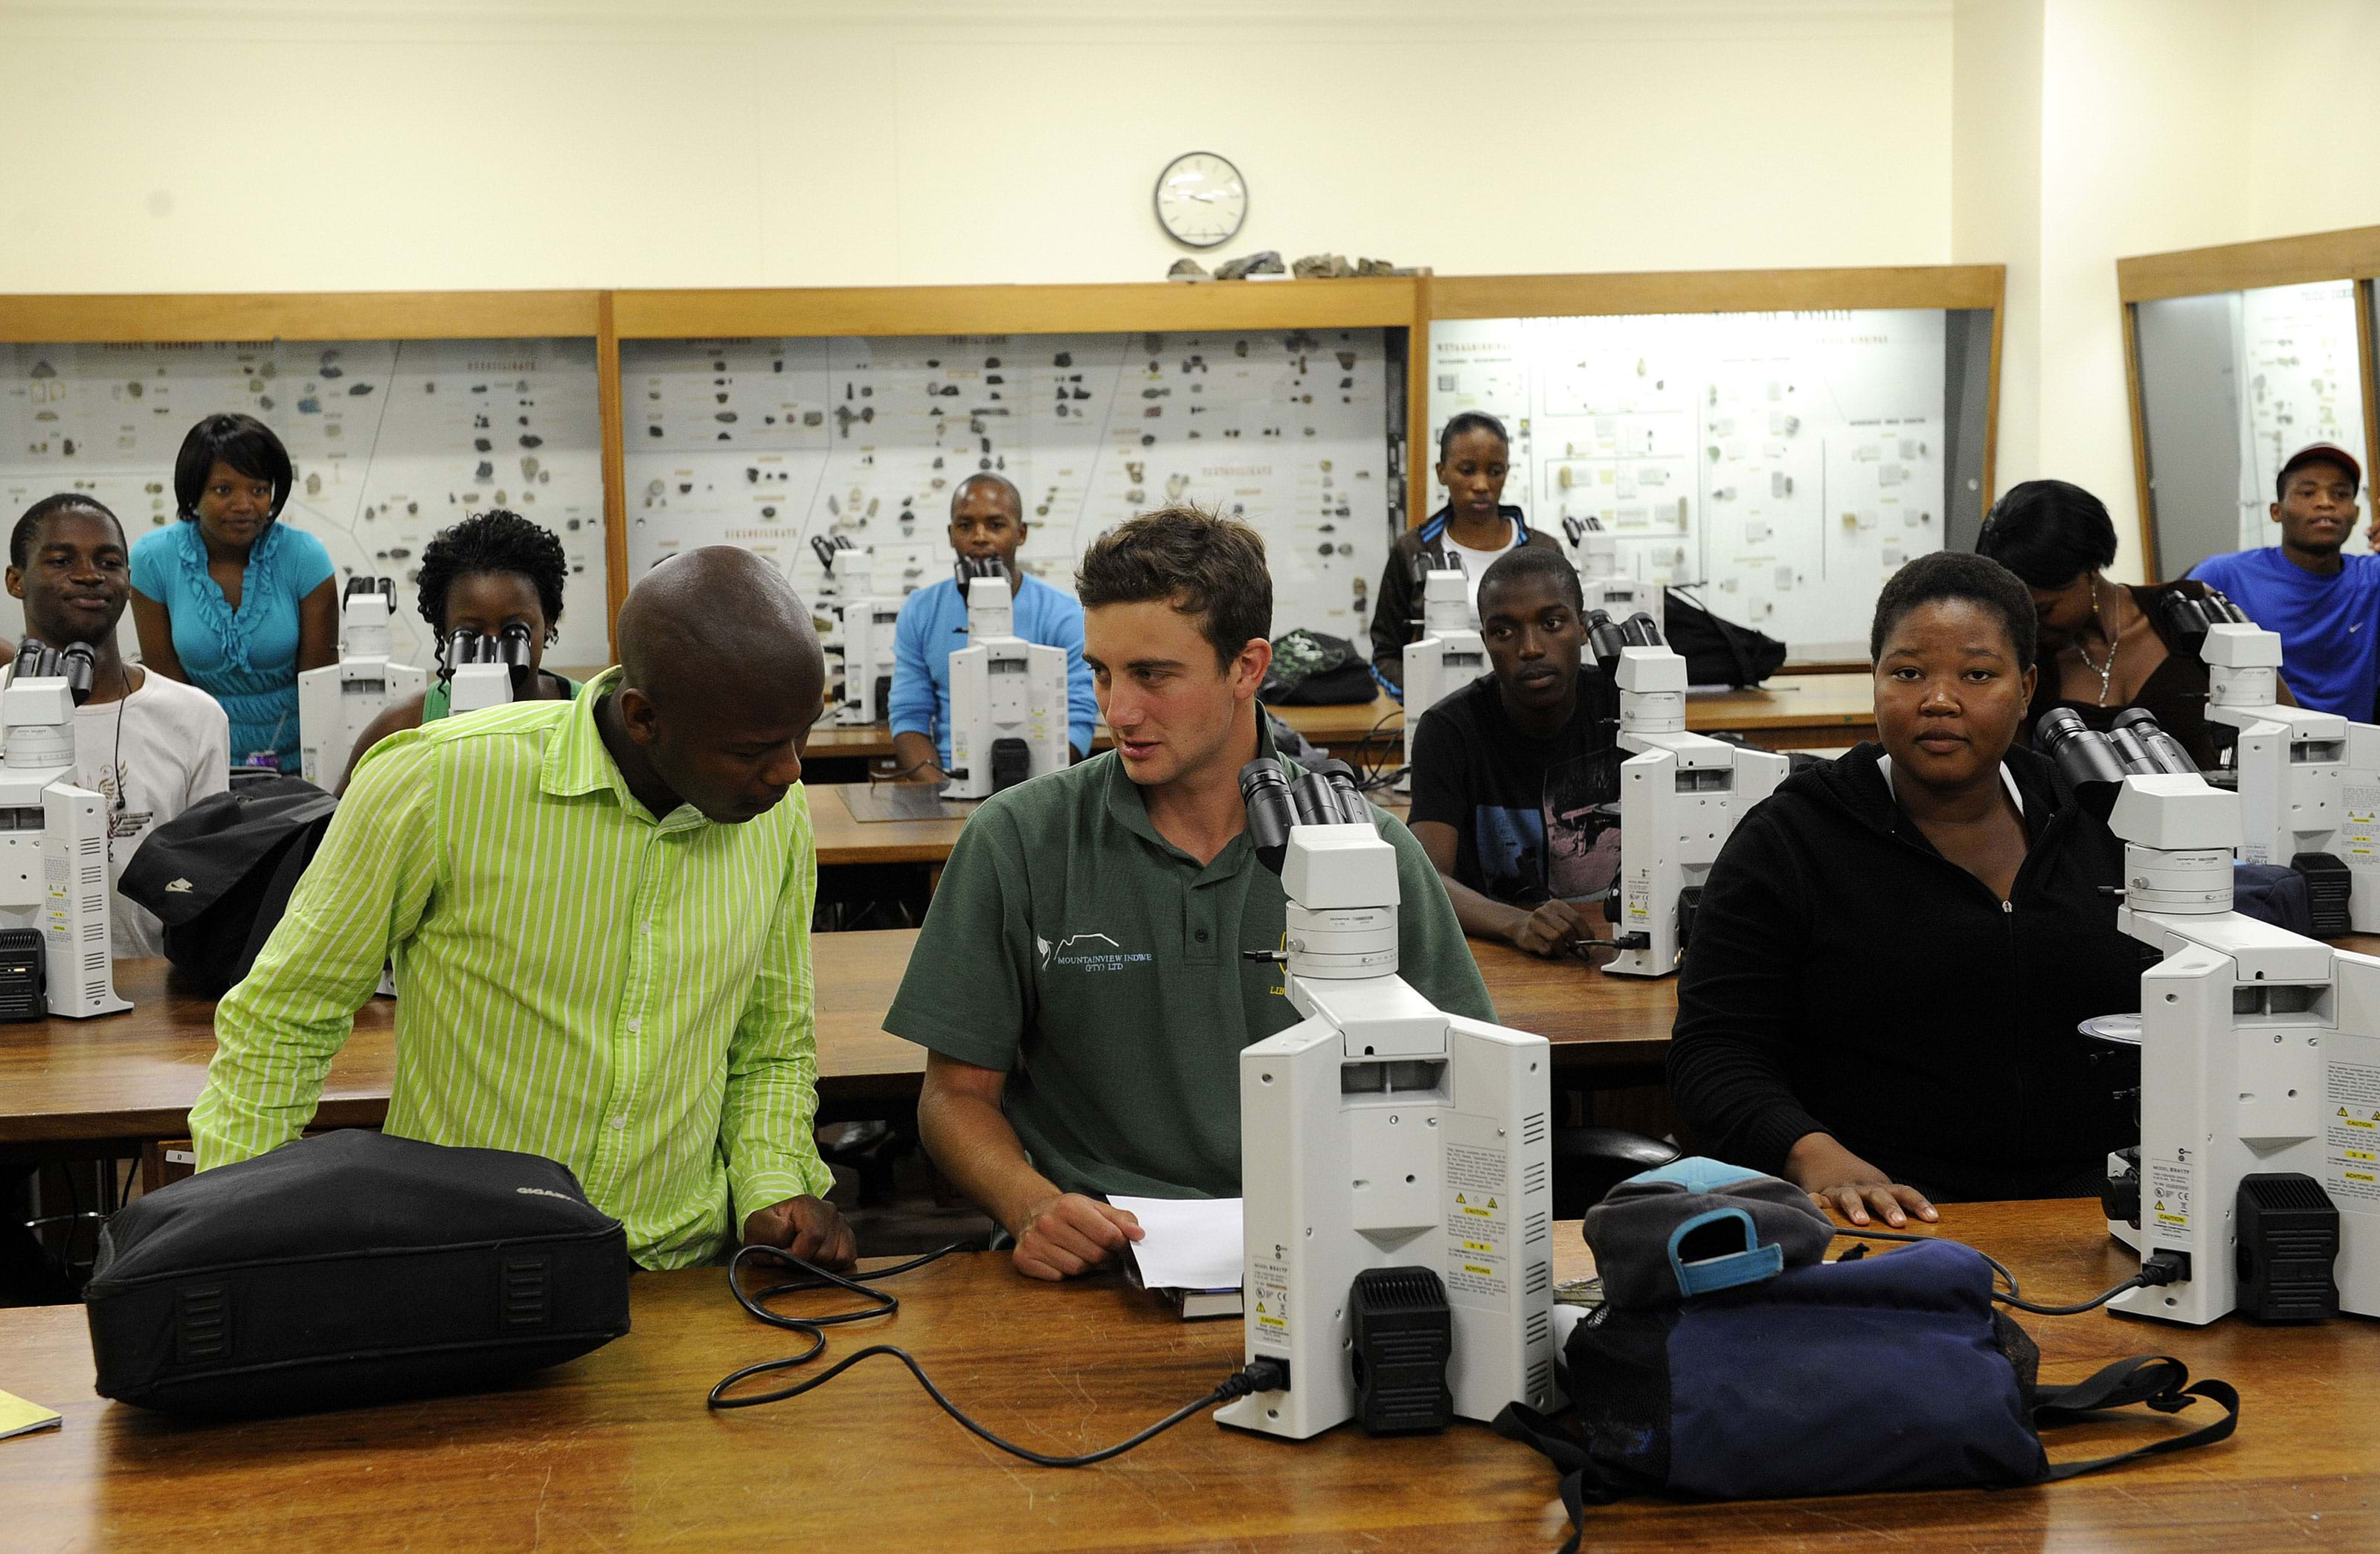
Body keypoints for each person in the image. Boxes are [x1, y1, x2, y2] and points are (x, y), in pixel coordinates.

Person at [187, 546, 855, 1271]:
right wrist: (237, 1239)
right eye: (754, 749)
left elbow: (770, 1046)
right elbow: (283, 1021)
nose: (791, 772)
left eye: (801, 734)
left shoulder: (774, 817)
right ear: (643, 718)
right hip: (468, 1267)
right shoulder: (436, 781)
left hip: (678, 1270)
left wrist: (775, 1185)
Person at [887, 507, 1493, 1282]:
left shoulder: (1365, 848)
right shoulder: (1018, 840)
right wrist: (1029, 1204)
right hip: (1098, 1268)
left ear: (1246, 667)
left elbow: (1468, 1081)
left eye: (1151, 675)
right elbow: (953, 1095)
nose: (1117, 712)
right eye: (1101, 672)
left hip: (1334, 1258)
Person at [1667, 551, 2143, 1225]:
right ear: (1876, 681)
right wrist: (1815, 1156)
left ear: (2029, 687)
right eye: (1908, 673)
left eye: (1978, 675)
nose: (1940, 700)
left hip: (2101, 1211)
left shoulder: (2099, 819)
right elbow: (1713, 1053)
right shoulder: (1792, 838)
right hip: (1888, 1214)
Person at [2, 494, 229, 958]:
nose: (90, 574)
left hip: (157, 993)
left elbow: (209, 883)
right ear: (16, 581)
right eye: (62, 560)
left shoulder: (195, 716)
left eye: (109, 561)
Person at [1407, 547, 1621, 957]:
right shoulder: (1449, 730)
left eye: (1551, 623)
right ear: (1485, 640)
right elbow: (1426, 877)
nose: (1531, 649)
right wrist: (1515, 922)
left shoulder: (1629, 707)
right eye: (1504, 632)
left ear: (1582, 627)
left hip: (1617, 946)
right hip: (1499, 958)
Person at [1978, 478, 2272, 770]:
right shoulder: (2029, 661)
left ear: (2090, 569)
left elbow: (2279, 723)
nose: (2032, 627)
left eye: (2043, 610)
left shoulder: (2190, 612)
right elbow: (2016, 776)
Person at [129, 413, 337, 772]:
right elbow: (168, 697)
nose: (244, 506)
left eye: (258, 490)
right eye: (223, 490)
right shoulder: (154, 560)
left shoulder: (305, 558)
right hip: (196, 764)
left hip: (299, 767)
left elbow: (319, 692)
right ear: (194, 493)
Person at [340, 509, 582, 792]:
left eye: (513, 631)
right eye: (470, 633)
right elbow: (337, 823)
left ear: (549, 623)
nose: (491, 649)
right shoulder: (402, 728)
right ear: (444, 631)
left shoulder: (589, 716)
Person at [887, 473, 1096, 781]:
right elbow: (909, 717)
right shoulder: (921, 611)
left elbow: (1078, 718)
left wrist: (1030, 797)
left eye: (996, 525)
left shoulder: (1063, 615)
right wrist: (943, 791)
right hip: (948, 778)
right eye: (965, 525)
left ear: (1021, 533)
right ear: (950, 534)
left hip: (1040, 783)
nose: (980, 536)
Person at [1367, 411, 1566, 695]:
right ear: (1442, 472)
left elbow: (1568, 642)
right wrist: (1422, 702)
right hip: (1441, 715)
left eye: (1495, 471)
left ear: (1506, 472)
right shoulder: (1412, 551)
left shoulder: (1543, 551)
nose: (1482, 485)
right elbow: (1386, 653)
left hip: (1532, 712)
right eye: (1468, 470)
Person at [2187, 443, 2380, 720]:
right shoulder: (2224, 575)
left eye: (2340, 494)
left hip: (2358, 749)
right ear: (2276, 512)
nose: (2325, 502)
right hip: (2255, 746)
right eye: (2307, 492)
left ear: (2357, 514)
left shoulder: (2372, 578)